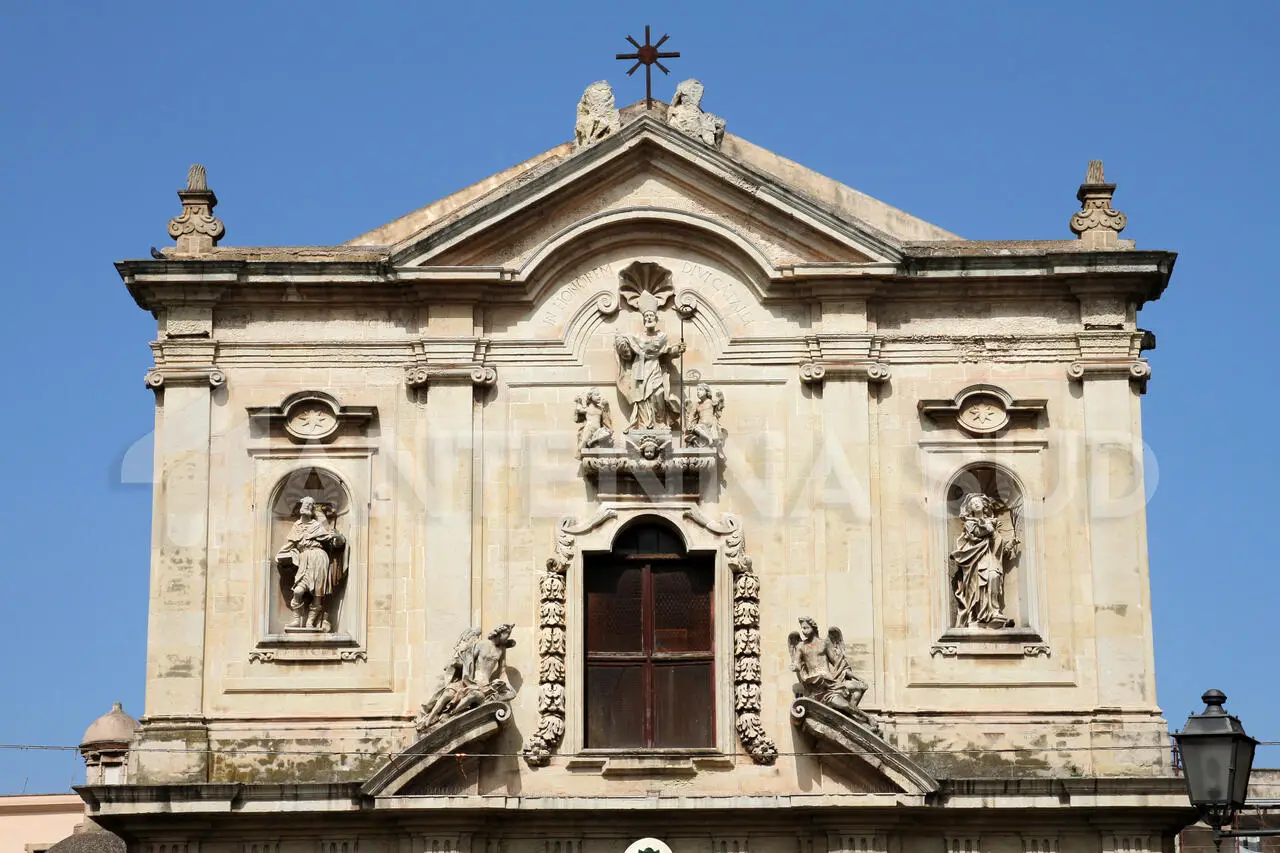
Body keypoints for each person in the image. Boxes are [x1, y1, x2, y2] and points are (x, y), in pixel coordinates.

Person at [275, 497, 346, 632]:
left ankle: (310, 622)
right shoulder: (297, 526)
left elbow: (336, 542)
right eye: (305, 504)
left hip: (319, 558)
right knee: (298, 591)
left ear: (313, 509)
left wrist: (337, 537)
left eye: (310, 505)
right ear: (301, 507)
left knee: (318, 594)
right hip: (304, 559)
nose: (307, 506)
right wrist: (280, 554)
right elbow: (291, 544)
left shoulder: (317, 526)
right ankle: (297, 620)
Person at [950, 494, 1019, 628]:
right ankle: (978, 616)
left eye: (978, 501)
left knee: (993, 578)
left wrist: (1011, 544)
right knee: (977, 587)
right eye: (972, 503)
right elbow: (977, 533)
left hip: (991, 558)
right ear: (970, 508)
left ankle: (993, 612)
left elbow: (999, 548)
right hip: (976, 561)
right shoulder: (970, 523)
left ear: (984, 505)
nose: (975, 504)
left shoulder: (992, 522)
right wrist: (989, 528)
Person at [614, 309, 684, 430]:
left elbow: (668, 351)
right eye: (646, 316)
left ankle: (660, 422)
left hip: (655, 367)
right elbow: (626, 352)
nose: (649, 318)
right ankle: (644, 423)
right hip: (640, 368)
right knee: (642, 396)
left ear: (656, 319)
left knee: (658, 393)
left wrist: (678, 349)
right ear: (644, 320)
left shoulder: (661, 337)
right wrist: (620, 341)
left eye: (651, 315)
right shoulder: (637, 337)